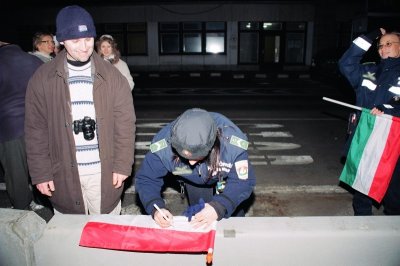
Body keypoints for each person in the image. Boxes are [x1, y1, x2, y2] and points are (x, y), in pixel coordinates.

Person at [25, 5, 136, 214]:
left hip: (103, 173)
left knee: (106, 234)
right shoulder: (42, 79)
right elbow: (35, 130)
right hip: (63, 174)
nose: (84, 47)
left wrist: (122, 165)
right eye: (75, 41)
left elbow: (125, 124)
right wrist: (40, 173)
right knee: (71, 239)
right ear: (61, 41)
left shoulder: (113, 77)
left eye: (88, 39)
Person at [135, 108, 256, 228]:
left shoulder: (231, 145)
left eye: (198, 156)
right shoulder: (162, 146)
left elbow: (242, 182)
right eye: (184, 156)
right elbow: (147, 179)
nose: (191, 163)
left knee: (231, 218)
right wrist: (155, 208)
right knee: (200, 218)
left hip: (223, 177)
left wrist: (219, 206)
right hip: (193, 179)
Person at [338, 28, 400, 215]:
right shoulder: (370, 71)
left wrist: (387, 107)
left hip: (392, 142)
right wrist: (369, 37)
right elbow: (346, 63)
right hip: (365, 137)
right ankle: (362, 222)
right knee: (362, 185)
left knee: (393, 190)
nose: (383, 48)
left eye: (388, 44)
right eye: (380, 46)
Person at [0, 41, 43, 210]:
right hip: (36, 122)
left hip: (9, 125)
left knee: (15, 170)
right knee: (38, 164)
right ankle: (42, 200)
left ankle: (21, 206)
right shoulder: (33, 60)